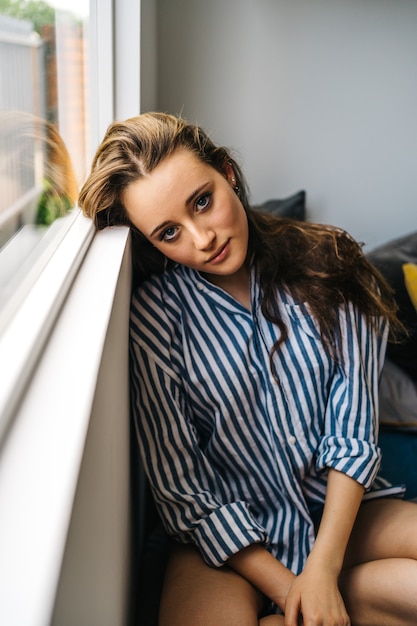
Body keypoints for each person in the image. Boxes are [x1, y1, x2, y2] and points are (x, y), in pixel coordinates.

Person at [78, 112, 417, 626]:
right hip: (229, 540)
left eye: (202, 201)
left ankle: (363, 595)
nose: (201, 238)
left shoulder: (332, 263)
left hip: (340, 509)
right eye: (170, 232)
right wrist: (297, 594)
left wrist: (322, 570)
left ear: (227, 172)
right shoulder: (154, 317)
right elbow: (184, 490)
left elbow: (352, 432)